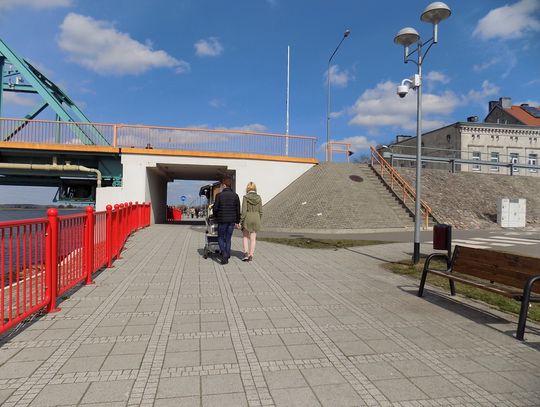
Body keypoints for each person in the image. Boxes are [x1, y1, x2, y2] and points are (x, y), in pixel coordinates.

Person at [212, 177, 240, 265]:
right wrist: (237, 221)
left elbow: (215, 208)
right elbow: (238, 210)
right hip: (232, 220)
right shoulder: (235, 195)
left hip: (222, 220)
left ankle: (224, 254)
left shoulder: (219, 195)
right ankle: (227, 254)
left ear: (224, 185)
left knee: (220, 237)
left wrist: (215, 217)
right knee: (228, 238)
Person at [240, 182, 263, 262]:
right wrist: (259, 219)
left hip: (247, 218)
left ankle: (246, 253)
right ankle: (251, 255)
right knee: (253, 238)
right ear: (255, 188)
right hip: (256, 217)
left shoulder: (245, 197)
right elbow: (261, 211)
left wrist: (241, 221)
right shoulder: (259, 198)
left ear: (247, 189)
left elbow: (244, 211)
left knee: (245, 236)